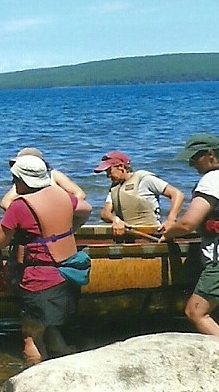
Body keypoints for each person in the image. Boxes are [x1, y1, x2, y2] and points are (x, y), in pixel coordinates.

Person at [0, 154, 92, 363]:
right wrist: (69, 231)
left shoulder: (20, 206)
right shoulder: (63, 196)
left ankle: (34, 377)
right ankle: (63, 356)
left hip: (39, 280)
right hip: (68, 276)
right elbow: (86, 209)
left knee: (31, 337)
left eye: (15, 179)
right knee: (50, 325)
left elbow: (0, 242)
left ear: (21, 180)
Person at [159, 134, 219, 336]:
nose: (192, 163)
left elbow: (188, 224)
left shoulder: (211, 180)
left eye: (195, 157)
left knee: (196, 312)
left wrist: (169, 231)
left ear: (211, 155)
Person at [93, 150, 185, 238]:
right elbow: (105, 213)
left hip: (152, 233)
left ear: (120, 167)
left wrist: (171, 220)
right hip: (128, 234)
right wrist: (115, 220)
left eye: (109, 171)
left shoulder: (144, 179)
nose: (107, 176)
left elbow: (177, 194)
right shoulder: (114, 187)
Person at [0, 147, 86, 211]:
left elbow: (79, 194)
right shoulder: (23, 181)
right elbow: (5, 203)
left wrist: (65, 211)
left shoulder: (54, 175)